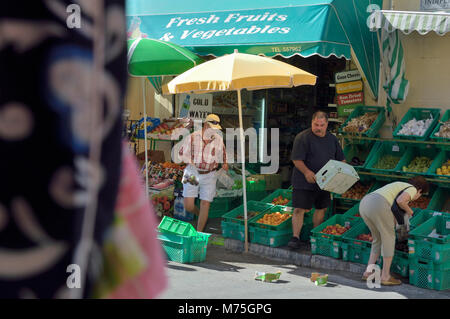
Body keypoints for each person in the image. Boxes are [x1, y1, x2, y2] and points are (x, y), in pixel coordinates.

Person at [288, 111, 345, 249]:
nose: (318, 128)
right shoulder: (302, 138)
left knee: (321, 208)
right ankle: (295, 237)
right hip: (304, 180)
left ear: (327, 125)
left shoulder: (332, 139)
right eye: (316, 124)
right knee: (299, 209)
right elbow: (296, 159)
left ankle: (315, 235)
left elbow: (341, 159)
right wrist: (307, 172)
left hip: (325, 181)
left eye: (321, 125)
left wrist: (341, 173)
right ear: (311, 122)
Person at [359, 177, 429, 286]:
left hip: (365, 203)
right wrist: (410, 211)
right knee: (389, 238)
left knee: (378, 240)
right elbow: (400, 201)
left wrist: (402, 225)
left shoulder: (399, 185)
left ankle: (368, 272)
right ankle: (385, 276)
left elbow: (394, 210)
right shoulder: (412, 189)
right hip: (378, 204)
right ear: (420, 191)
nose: (417, 197)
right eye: (420, 195)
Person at [178, 114, 228, 232]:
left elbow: (223, 155)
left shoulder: (218, 139)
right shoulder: (192, 137)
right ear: (205, 124)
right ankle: (199, 213)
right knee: (188, 206)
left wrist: (225, 163)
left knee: (205, 203)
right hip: (192, 173)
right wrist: (189, 161)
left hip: (210, 175)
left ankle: (198, 233)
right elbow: (181, 154)